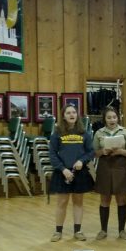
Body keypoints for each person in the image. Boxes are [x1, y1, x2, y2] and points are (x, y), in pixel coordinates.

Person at [49, 104, 95, 242]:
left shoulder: (84, 133)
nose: (71, 115)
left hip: (79, 172)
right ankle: (58, 231)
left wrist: (82, 161)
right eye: (68, 113)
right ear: (63, 116)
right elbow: (52, 154)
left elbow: (91, 152)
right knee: (62, 202)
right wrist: (63, 169)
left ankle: (78, 231)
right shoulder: (57, 133)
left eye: (74, 112)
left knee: (78, 201)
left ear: (77, 115)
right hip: (63, 172)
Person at [93, 106, 126, 240]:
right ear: (104, 119)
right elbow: (94, 152)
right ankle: (103, 230)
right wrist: (102, 151)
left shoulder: (125, 132)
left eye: (114, 117)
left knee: (121, 199)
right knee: (105, 199)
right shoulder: (99, 133)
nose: (112, 120)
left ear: (118, 118)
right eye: (109, 117)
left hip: (120, 167)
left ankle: (122, 230)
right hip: (104, 167)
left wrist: (121, 151)